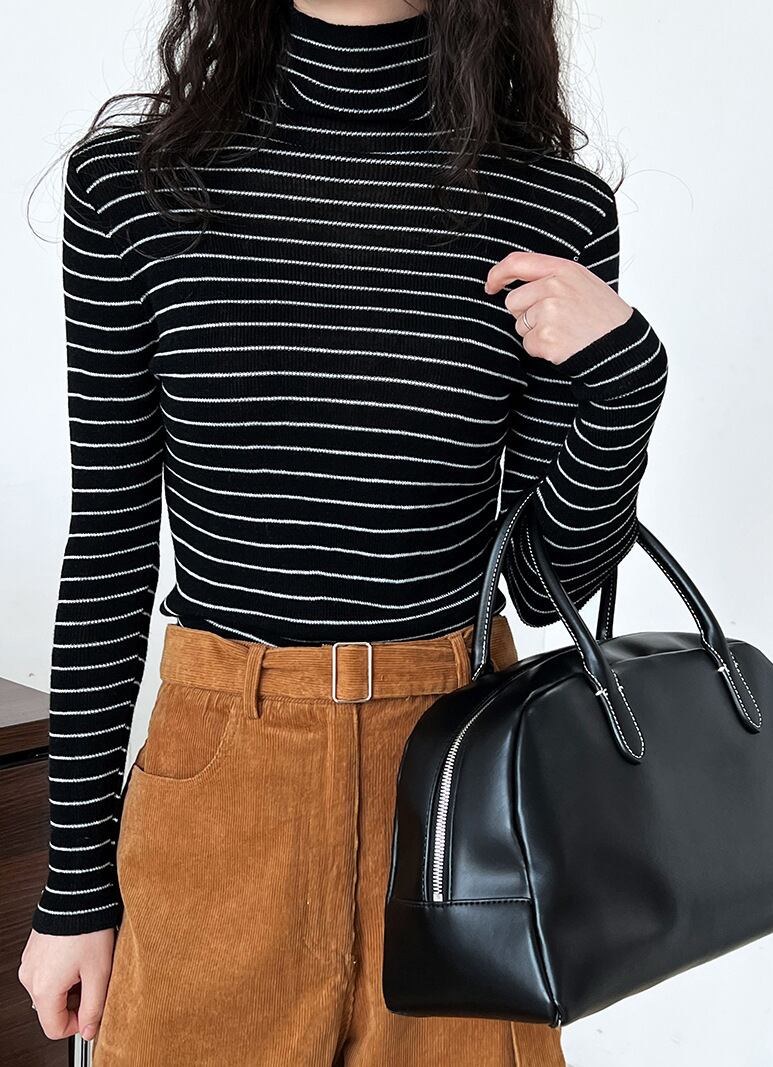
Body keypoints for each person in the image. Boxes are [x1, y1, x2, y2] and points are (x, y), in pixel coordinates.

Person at [18, 0, 668, 1063]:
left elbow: (544, 584)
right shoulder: (133, 190)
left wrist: (625, 383)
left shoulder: (548, 207)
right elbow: (109, 549)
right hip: (219, 790)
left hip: (456, 800)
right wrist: (75, 887)